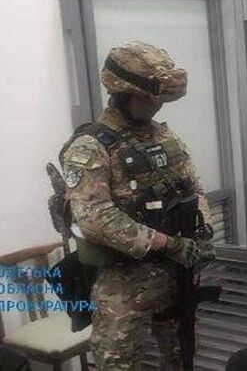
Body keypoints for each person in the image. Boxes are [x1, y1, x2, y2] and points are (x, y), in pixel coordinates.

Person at [61, 41, 215, 369]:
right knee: (119, 363)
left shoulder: (164, 137)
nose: (157, 105)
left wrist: (203, 231)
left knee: (184, 356)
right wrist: (167, 243)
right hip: (122, 285)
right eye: (149, 98)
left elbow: (193, 187)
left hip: (175, 277)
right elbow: (95, 218)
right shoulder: (90, 148)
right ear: (122, 94)